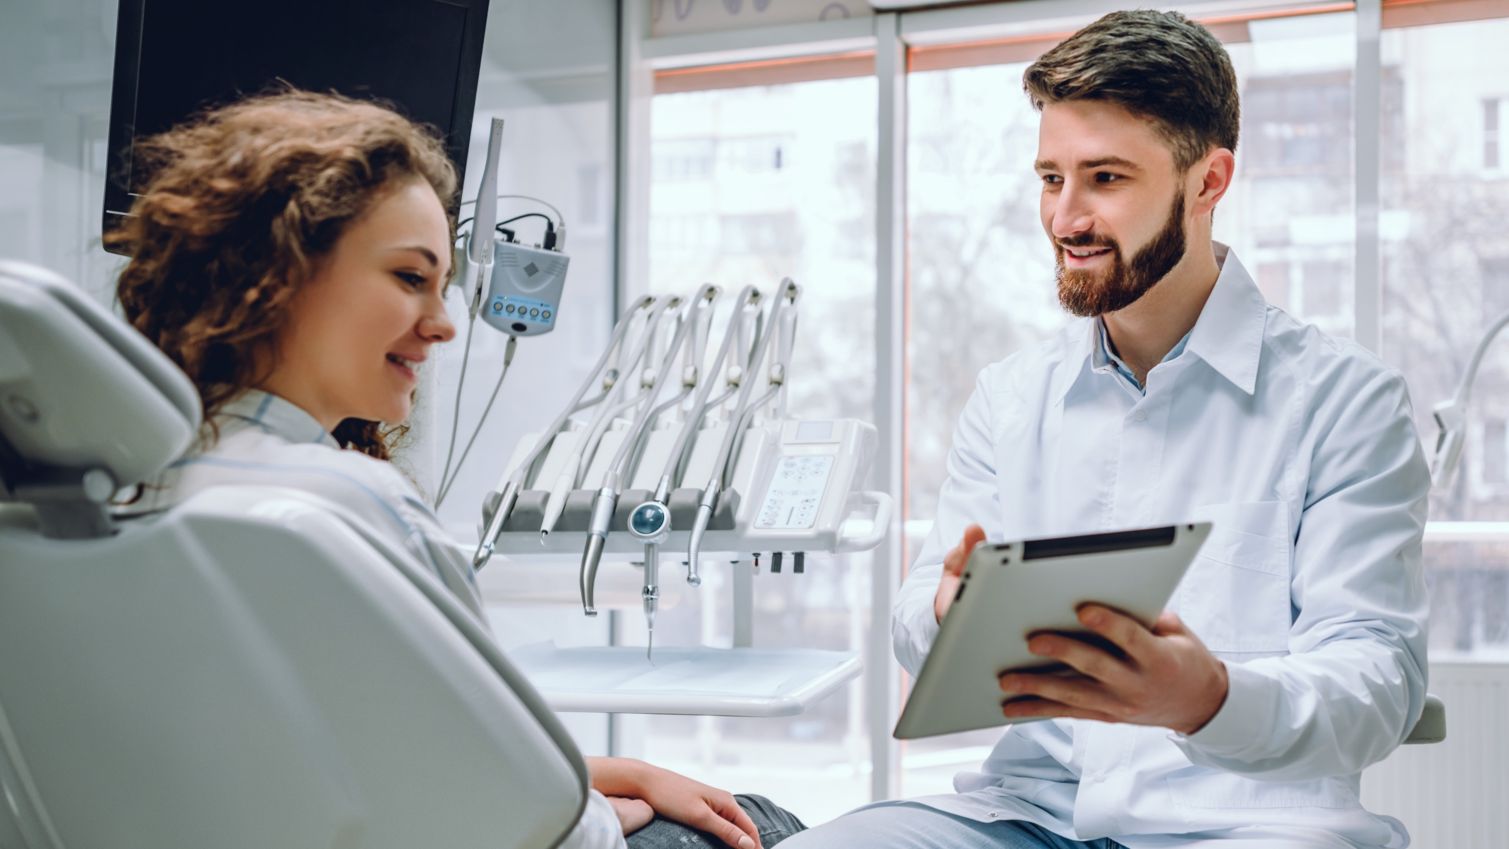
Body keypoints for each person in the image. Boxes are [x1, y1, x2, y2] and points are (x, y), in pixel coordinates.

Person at [780, 9, 1429, 849]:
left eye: (1106, 179)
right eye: (1051, 178)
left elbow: (1377, 680)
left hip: (1247, 820)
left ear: (1208, 181)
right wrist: (950, 614)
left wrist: (1208, 697)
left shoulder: (1348, 401)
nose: (1065, 218)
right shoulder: (1011, 396)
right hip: (1029, 812)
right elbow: (915, 616)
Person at [105, 88, 805, 849]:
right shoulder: (347, 505)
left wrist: (614, 774)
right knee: (762, 820)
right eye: (411, 277)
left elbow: (357, 757)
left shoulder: (120, 494)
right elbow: (531, 827)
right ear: (277, 273)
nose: (441, 324)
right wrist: (614, 812)